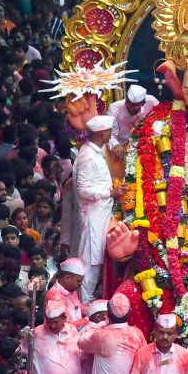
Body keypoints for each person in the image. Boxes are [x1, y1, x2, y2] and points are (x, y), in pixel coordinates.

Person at [75, 114, 115, 302]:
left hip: (100, 215)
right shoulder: (87, 157)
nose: (111, 134)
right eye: (109, 131)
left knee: (95, 261)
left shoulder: (95, 152)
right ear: (102, 133)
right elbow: (83, 190)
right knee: (90, 263)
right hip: (92, 218)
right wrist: (110, 193)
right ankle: (84, 303)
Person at [108, 85, 159, 151]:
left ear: (143, 103)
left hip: (147, 145)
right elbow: (110, 134)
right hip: (122, 148)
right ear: (125, 98)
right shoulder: (114, 109)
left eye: (135, 106)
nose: (131, 108)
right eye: (129, 103)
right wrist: (116, 145)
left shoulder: (151, 102)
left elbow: (161, 118)